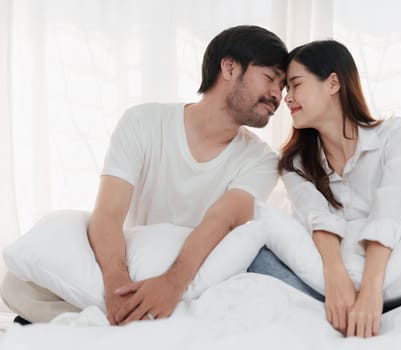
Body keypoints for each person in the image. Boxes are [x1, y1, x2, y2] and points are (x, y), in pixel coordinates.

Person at [1, 25, 288, 325]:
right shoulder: (143, 122)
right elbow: (109, 213)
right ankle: (128, 323)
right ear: (229, 67)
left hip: (194, 276)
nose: (276, 96)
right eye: (270, 78)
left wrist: (171, 285)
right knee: (17, 285)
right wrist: (117, 284)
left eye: (281, 88)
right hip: (134, 265)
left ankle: (109, 325)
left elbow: (222, 219)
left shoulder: (262, 160)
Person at [248, 40, 401, 338]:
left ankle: (382, 305)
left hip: (394, 269)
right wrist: (335, 275)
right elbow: (315, 217)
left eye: (295, 84)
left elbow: (389, 212)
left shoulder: (393, 134)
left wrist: (371, 290)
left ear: (333, 83)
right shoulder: (294, 161)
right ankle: (346, 304)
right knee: (258, 260)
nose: (286, 98)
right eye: (286, 89)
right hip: (330, 276)